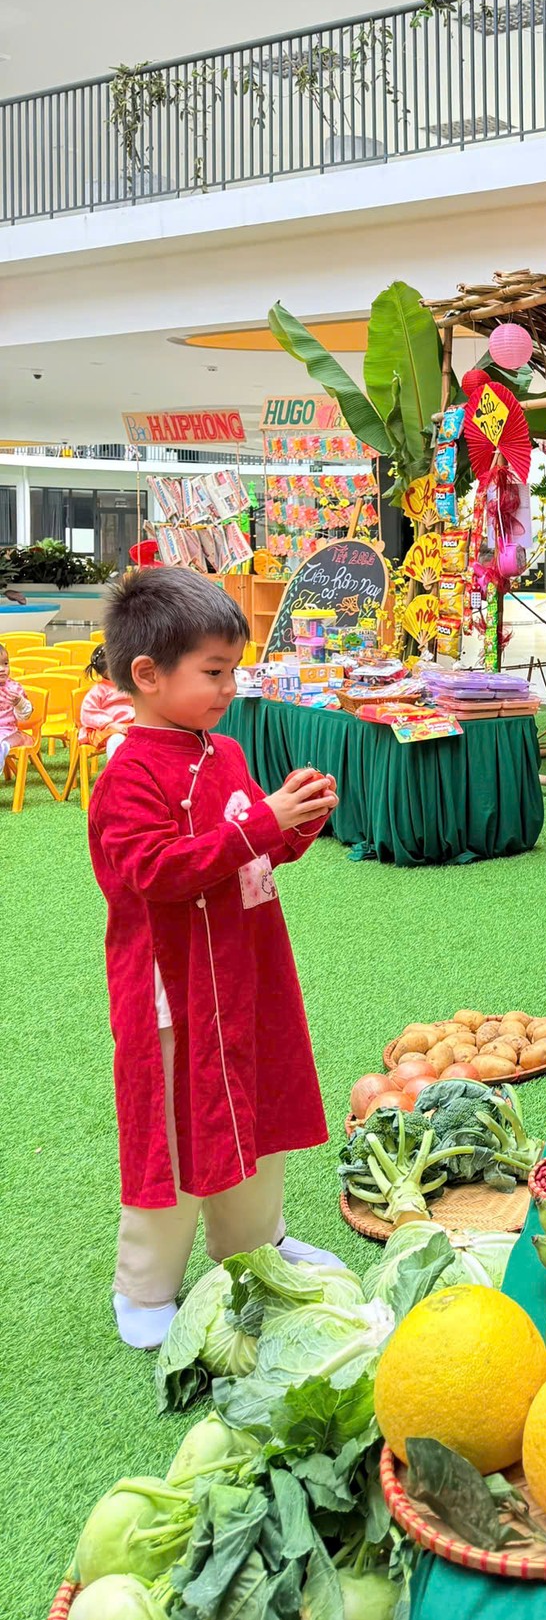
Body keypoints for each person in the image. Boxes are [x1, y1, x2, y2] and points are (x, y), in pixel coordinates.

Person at [87, 566, 343, 1349]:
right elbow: (152, 873)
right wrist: (262, 825)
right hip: (172, 988)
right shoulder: (126, 774)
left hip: (246, 971)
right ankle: (147, 1282)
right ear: (146, 675)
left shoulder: (224, 752)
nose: (231, 686)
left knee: (257, 1114)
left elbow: (248, 855)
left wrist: (293, 821)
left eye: (232, 669)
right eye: (214, 672)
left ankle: (253, 1245)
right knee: (168, 1127)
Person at [78, 642, 134, 759]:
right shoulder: (98, 691)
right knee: (116, 739)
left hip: (129, 725)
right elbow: (88, 712)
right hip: (106, 729)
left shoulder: (129, 685)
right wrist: (110, 724)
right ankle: (115, 770)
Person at [0, 643, 33, 761]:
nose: (2, 669)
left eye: (5, 664)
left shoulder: (14, 688)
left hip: (10, 732)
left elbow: (25, 715)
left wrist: (19, 703)